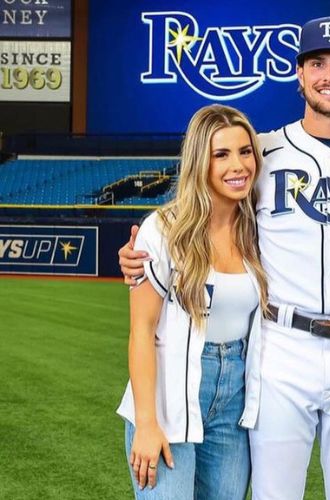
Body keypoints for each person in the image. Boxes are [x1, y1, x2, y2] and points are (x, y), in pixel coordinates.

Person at [118, 16, 330, 500]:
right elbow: (200, 200)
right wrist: (142, 250)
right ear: (299, 74)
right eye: (317, 63)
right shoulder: (264, 151)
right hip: (283, 347)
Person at [116, 104, 268, 499]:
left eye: (245, 151)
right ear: (200, 161)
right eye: (221, 154)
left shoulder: (261, 227)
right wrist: (147, 423)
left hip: (235, 398)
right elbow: (142, 331)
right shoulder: (164, 229)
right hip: (168, 395)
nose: (238, 165)